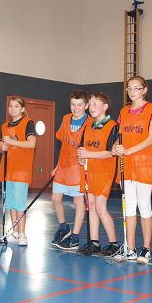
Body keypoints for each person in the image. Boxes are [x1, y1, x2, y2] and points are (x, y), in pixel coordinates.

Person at [112, 76, 152, 263]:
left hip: (144, 164)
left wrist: (128, 150)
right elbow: (120, 136)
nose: (132, 92)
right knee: (129, 206)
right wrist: (116, 147)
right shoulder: (123, 111)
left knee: (144, 205)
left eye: (136, 88)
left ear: (144, 90)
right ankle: (130, 248)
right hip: (126, 164)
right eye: (129, 88)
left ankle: (146, 249)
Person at [77, 92, 120, 256]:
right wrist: (82, 157)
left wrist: (88, 154)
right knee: (91, 206)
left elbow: (110, 152)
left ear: (105, 107)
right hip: (89, 171)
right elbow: (83, 148)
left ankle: (113, 244)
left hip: (104, 172)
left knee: (101, 207)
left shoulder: (113, 126)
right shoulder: (88, 126)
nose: (91, 107)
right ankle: (94, 242)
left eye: (96, 103)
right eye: (90, 103)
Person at [51, 89, 89, 250]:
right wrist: (58, 165)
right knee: (55, 198)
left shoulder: (90, 123)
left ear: (86, 106)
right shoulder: (66, 119)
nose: (76, 108)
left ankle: (75, 237)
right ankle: (63, 228)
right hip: (63, 166)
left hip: (78, 168)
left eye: (79, 105)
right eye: (73, 104)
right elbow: (64, 144)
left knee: (78, 201)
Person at [0, 96, 36, 246]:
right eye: (11, 106)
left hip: (21, 169)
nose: (13, 109)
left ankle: (22, 234)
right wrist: (3, 147)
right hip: (8, 168)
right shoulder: (4, 126)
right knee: (11, 203)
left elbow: (32, 143)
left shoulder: (28, 123)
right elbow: (1, 147)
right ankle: (14, 231)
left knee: (20, 204)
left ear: (22, 109)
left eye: (16, 106)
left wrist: (12, 142)